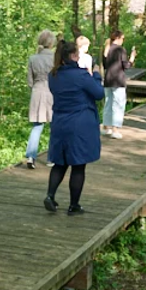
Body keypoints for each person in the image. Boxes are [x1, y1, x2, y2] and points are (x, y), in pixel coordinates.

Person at [44, 39, 105, 216]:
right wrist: (96, 75)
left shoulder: (53, 75)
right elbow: (99, 93)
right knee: (78, 165)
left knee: (60, 162)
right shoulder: (81, 76)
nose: (79, 57)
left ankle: (50, 195)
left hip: (60, 122)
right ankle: (74, 205)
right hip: (79, 123)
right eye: (77, 54)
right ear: (72, 56)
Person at [25, 30, 56, 168]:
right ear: (51, 43)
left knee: (37, 127)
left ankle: (31, 156)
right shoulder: (55, 58)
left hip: (37, 92)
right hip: (52, 92)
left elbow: (29, 81)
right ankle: (51, 158)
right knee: (54, 126)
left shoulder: (33, 58)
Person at [100, 29, 135, 139]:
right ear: (118, 38)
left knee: (108, 103)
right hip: (118, 80)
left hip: (108, 79)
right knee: (118, 105)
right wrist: (132, 58)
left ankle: (106, 127)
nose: (123, 40)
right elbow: (126, 65)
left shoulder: (107, 49)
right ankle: (115, 129)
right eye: (122, 38)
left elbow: (105, 65)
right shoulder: (120, 50)